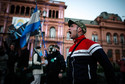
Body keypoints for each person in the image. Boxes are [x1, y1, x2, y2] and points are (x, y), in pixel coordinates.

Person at [66, 20, 116, 84]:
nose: (69, 28)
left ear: (79, 29)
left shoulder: (91, 45)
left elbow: (107, 66)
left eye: (72, 26)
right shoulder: (71, 49)